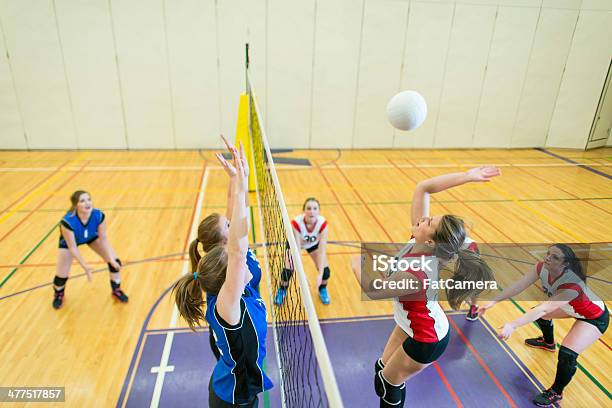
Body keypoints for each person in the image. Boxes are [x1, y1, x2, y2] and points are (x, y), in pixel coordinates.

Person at [352, 166, 500, 407]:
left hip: (427, 337)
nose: (422, 219)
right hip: (413, 320)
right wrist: (467, 177)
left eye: (428, 221)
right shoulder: (418, 241)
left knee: (389, 383)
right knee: (381, 370)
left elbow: (374, 290)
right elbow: (424, 188)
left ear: (430, 240)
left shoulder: (419, 273)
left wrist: (357, 265)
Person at [173, 142, 272, 407]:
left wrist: (239, 181)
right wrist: (242, 183)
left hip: (234, 383)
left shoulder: (226, 283)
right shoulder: (227, 305)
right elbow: (238, 251)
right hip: (231, 397)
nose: (241, 264)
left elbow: (236, 239)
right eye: (237, 267)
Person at [480, 243, 609, 407]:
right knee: (539, 315)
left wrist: (512, 325)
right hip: (571, 308)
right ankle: (548, 343)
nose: (548, 257)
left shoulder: (572, 285)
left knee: (567, 354)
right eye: (548, 253)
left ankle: (556, 392)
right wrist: (493, 301)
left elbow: (544, 308)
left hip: (593, 317)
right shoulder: (542, 267)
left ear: (565, 264)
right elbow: (519, 285)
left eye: (555, 257)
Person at [52, 190, 128, 309]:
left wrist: (110, 260)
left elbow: (103, 239)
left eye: (89, 199)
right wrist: (85, 266)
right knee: (61, 276)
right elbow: (72, 247)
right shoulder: (67, 222)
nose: (87, 203)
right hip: (71, 242)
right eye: (82, 201)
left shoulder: (99, 215)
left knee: (115, 262)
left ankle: (116, 289)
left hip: (91, 237)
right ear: (76, 205)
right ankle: (58, 294)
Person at [274, 197, 331, 305]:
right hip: (295, 245)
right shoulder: (297, 223)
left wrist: (320, 274)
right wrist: (302, 274)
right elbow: (297, 251)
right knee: (287, 271)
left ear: (319, 211)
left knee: (326, 272)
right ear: (304, 210)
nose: (312, 211)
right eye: (309, 208)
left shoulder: (323, 224)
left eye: (315, 208)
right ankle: (282, 290)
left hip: (313, 245)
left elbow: (322, 250)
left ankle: (322, 289)